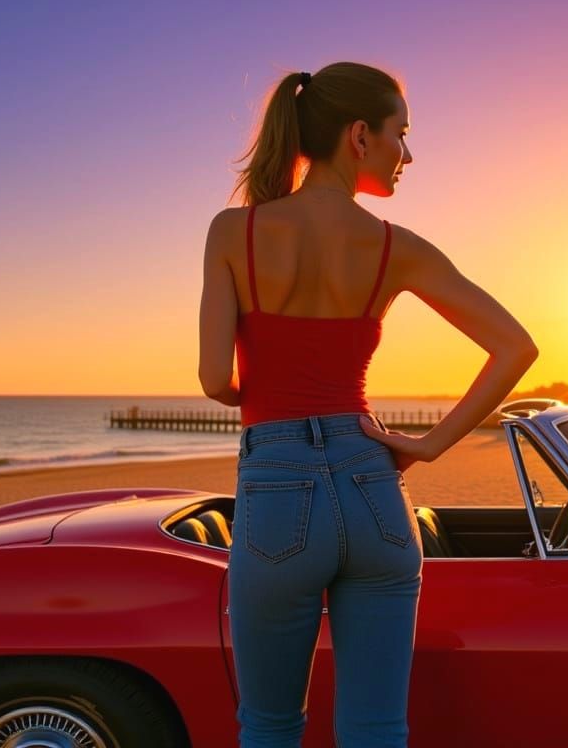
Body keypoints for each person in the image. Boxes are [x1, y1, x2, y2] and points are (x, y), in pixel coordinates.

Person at [196, 60, 538, 748]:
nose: (407, 154)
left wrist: (261, 390)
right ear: (359, 136)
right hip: (372, 487)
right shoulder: (397, 250)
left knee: (268, 726)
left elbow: (213, 380)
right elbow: (515, 347)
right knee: (378, 729)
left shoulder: (234, 233)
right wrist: (429, 445)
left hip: (277, 491)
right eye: (399, 136)